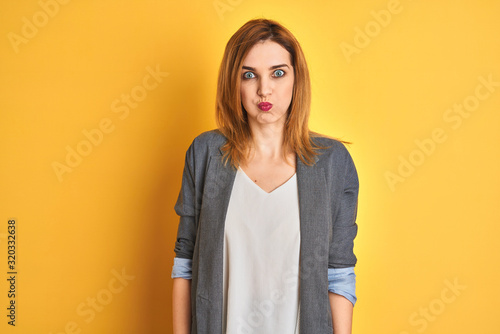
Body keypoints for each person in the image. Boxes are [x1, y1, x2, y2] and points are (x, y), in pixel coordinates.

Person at [171, 18, 359, 334]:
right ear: (234, 83)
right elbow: (184, 265)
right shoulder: (205, 154)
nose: (264, 89)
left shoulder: (332, 162)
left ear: (296, 79)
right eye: (249, 75)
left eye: (278, 73)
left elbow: (339, 272)